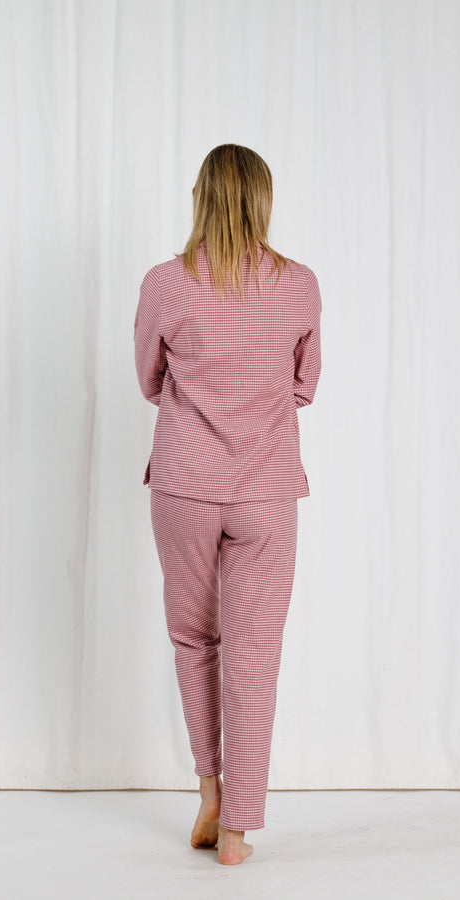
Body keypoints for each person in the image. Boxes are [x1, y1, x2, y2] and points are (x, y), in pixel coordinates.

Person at [133, 143, 322, 865]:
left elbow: (149, 379)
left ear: (199, 196)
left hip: (184, 482)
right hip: (267, 490)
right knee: (255, 652)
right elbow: (305, 384)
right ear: (264, 200)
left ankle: (209, 791)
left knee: (195, 639)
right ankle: (238, 830)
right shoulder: (300, 284)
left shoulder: (165, 283)